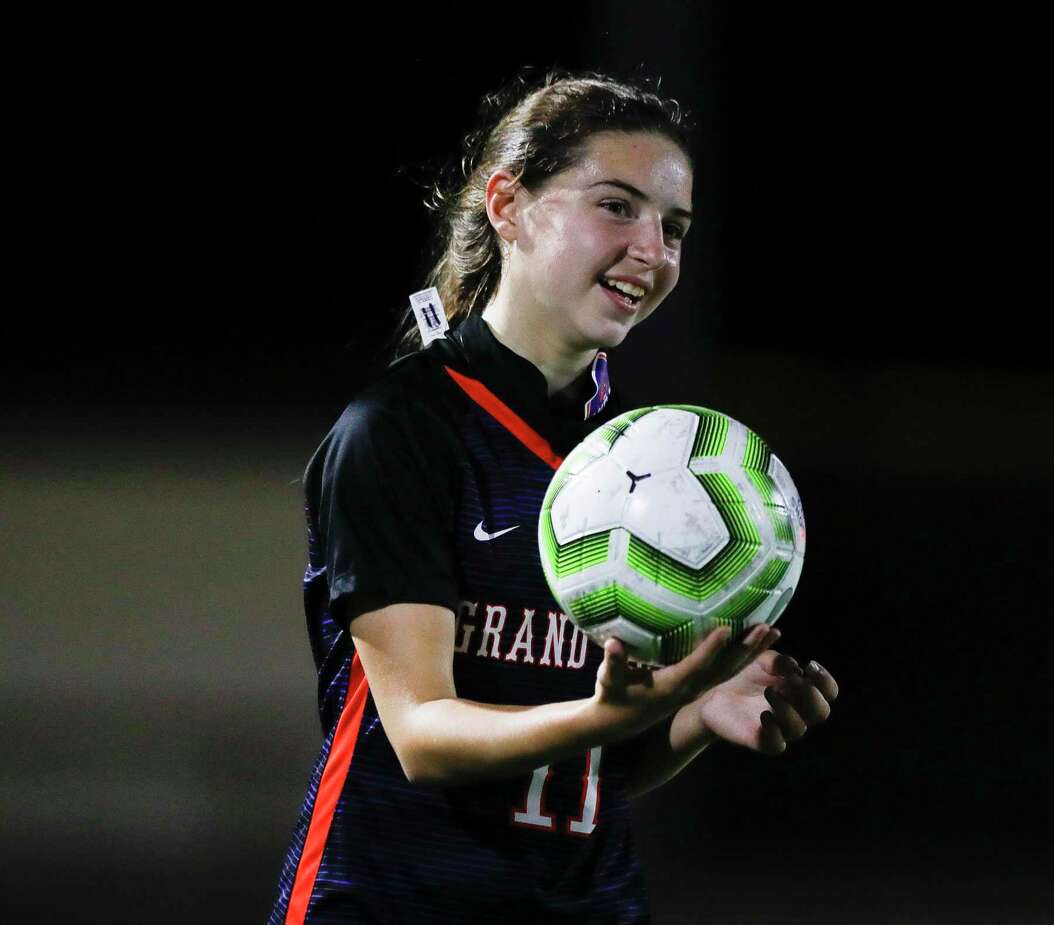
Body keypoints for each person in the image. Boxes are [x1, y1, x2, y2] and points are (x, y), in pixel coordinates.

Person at [268, 68, 838, 924]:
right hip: (390, 901)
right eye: (617, 206)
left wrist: (690, 718)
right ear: (507, 204)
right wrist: (609, 713)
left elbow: (575, 772)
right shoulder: (402, 430)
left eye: (674, 227)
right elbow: (423, 737)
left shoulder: (638, 464)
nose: (653, 249)